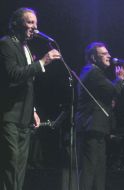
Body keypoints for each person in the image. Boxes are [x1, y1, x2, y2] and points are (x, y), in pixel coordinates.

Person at [0, 7, 61, 190]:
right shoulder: (6, 44)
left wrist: (33, 110)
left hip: (24, 116)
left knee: (19, 166)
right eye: (29, 22)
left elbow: (27, 84)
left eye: (35, 23)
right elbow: (13, 75)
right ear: (16, 23)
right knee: (10, 163)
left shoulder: (26, 47)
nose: (34, 27)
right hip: (9, 114)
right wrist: (42, 62)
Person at [75, 42, 124, 190]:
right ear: (93, 57)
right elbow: (112, 90)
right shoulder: (92, 71)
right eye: (104, 54)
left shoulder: (95, 73)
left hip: (97, 128)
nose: (109, 56)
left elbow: (106, 95)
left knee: (99, 172)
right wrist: (120, 79)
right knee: (89, 171)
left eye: (108, 53)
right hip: (90, 127)